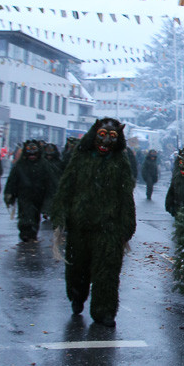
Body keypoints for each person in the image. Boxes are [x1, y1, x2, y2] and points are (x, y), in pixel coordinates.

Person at [51, 117, 136, 326]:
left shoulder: (120, 162)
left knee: (107, 272)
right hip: (80, 225)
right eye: (102, 135)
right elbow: (66, 188)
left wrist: (127, 228)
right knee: (77, 268)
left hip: (109, 228)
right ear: (95, 134)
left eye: (112, 137)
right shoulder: (80, 157)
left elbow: (126, 197)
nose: (106, 142)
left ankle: (104, 311)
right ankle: (77, 297)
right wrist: (60, 217)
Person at [3, 139, 52, 241]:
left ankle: (32, 232)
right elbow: (12, 180)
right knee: (24, 214)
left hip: (39, 195)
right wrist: (9, 193)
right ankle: (25, 232)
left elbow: (50, 181)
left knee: (35, 215)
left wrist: (50, 197)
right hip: (24, 195)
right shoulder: (20, 165)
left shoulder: (44, 165)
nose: (32, 155)